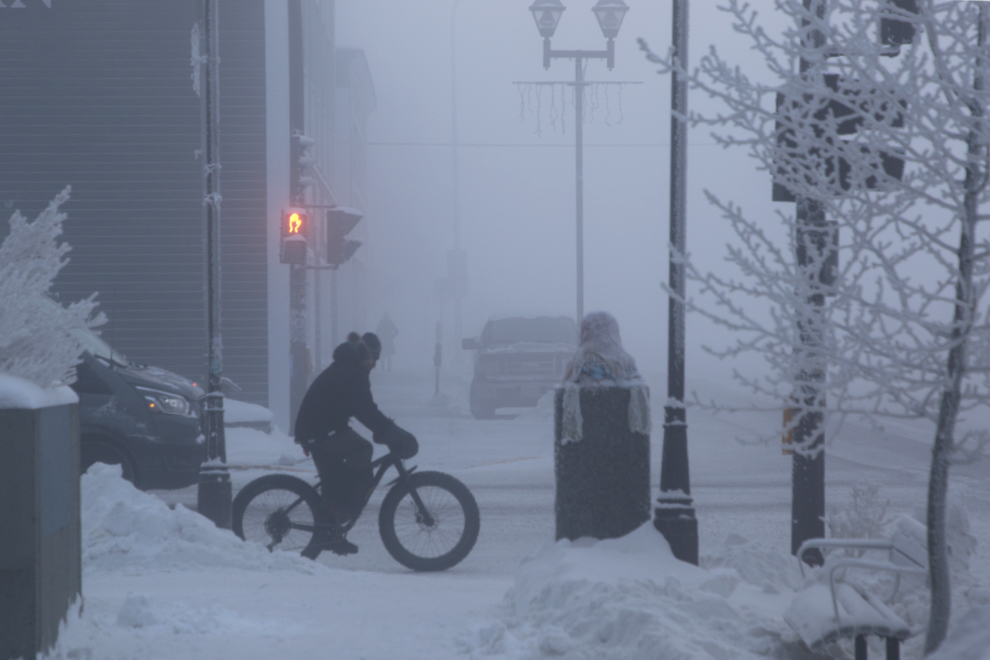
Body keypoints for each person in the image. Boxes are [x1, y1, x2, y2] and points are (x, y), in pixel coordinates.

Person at [293, 331, 418, 558]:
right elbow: (365, 410)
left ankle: (334, 524)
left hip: (323, 428)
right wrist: (390, 432)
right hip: (319, 430)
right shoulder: (352, 371)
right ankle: (338, 507)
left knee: (352, 460)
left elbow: (365, 407)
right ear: (368, 356)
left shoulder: (349, 366)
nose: (375, 365)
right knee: (362, 449)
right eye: (375, 360)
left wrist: (385, 430)